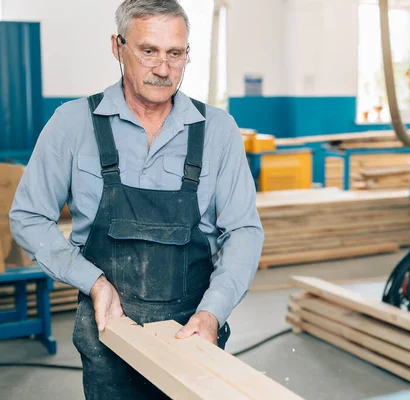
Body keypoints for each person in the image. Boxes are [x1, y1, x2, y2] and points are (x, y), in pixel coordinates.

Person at [9, 0, 264, 398]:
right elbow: (28, 217)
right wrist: (93, 282)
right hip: (107, 333)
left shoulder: (218, 130)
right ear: (118, 47)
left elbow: (244, 231)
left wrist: (212, 313)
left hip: (193, 336)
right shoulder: (72, 123)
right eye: (148, 51)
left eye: (175, 54)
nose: (163, 69)